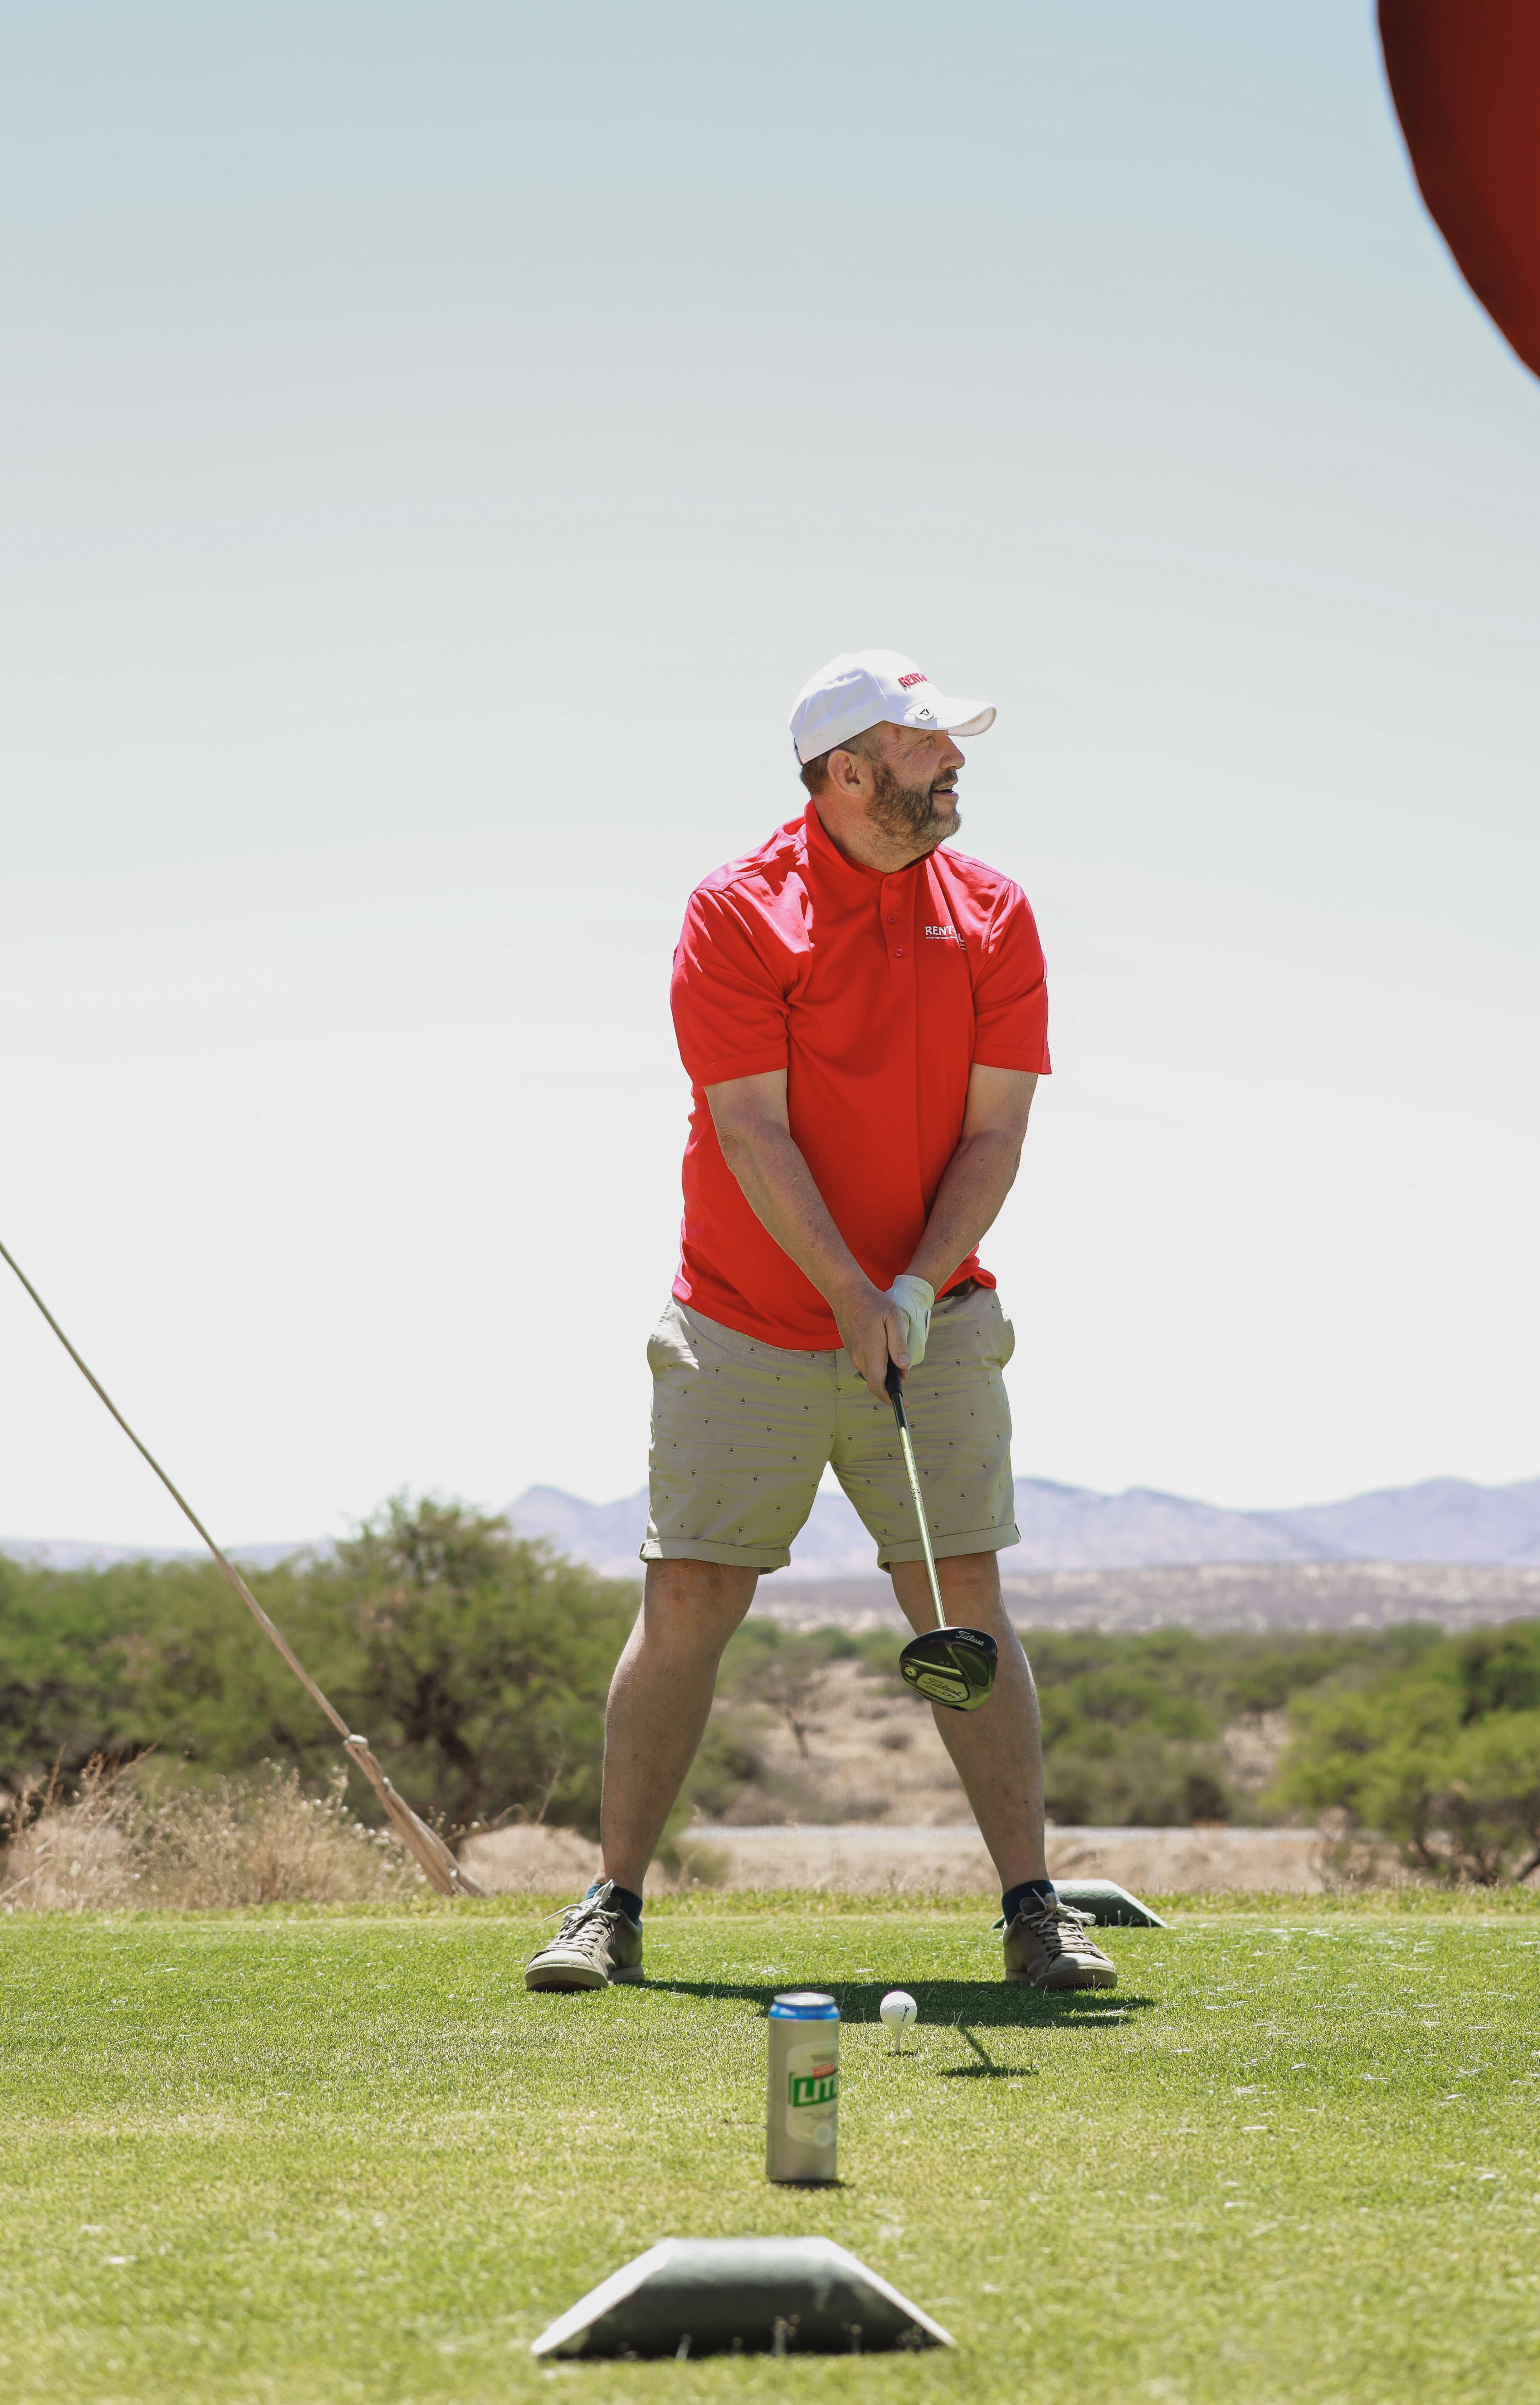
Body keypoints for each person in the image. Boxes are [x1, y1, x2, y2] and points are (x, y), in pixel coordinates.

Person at [524, 649, 1116, 1995]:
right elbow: (751, 1126)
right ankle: (611, 1905)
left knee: (962, 1597)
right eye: (925, 744)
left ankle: (1035, 1910)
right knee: (692, 1593)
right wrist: (849, 1291)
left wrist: (909, 1288)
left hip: (935, 1315)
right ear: (847, 772)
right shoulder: (740, 910)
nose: (954, 761)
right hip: (744, 1322)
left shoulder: (995, 911)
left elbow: (998, 1129)